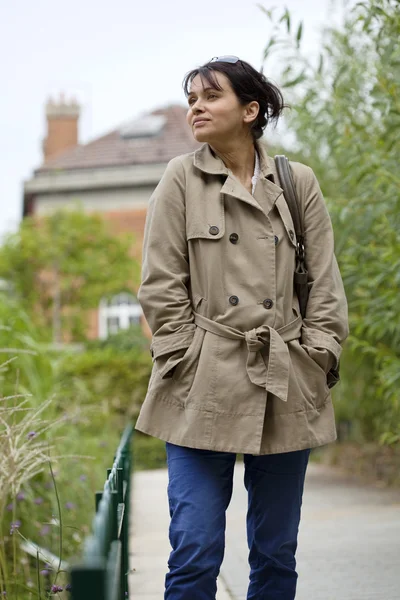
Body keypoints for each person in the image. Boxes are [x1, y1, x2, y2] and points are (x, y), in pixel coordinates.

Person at [135, 56, 349, 600]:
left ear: (250, 110)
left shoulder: (296, 182)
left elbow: (325, 284)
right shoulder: (181, 177)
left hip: (285, 378)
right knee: (194, 549)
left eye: (210, 97)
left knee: (276, 556)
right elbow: (160, 284)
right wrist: (183, 355)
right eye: (192, 100)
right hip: (200, 382)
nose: (196, 109)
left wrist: (317, 355)